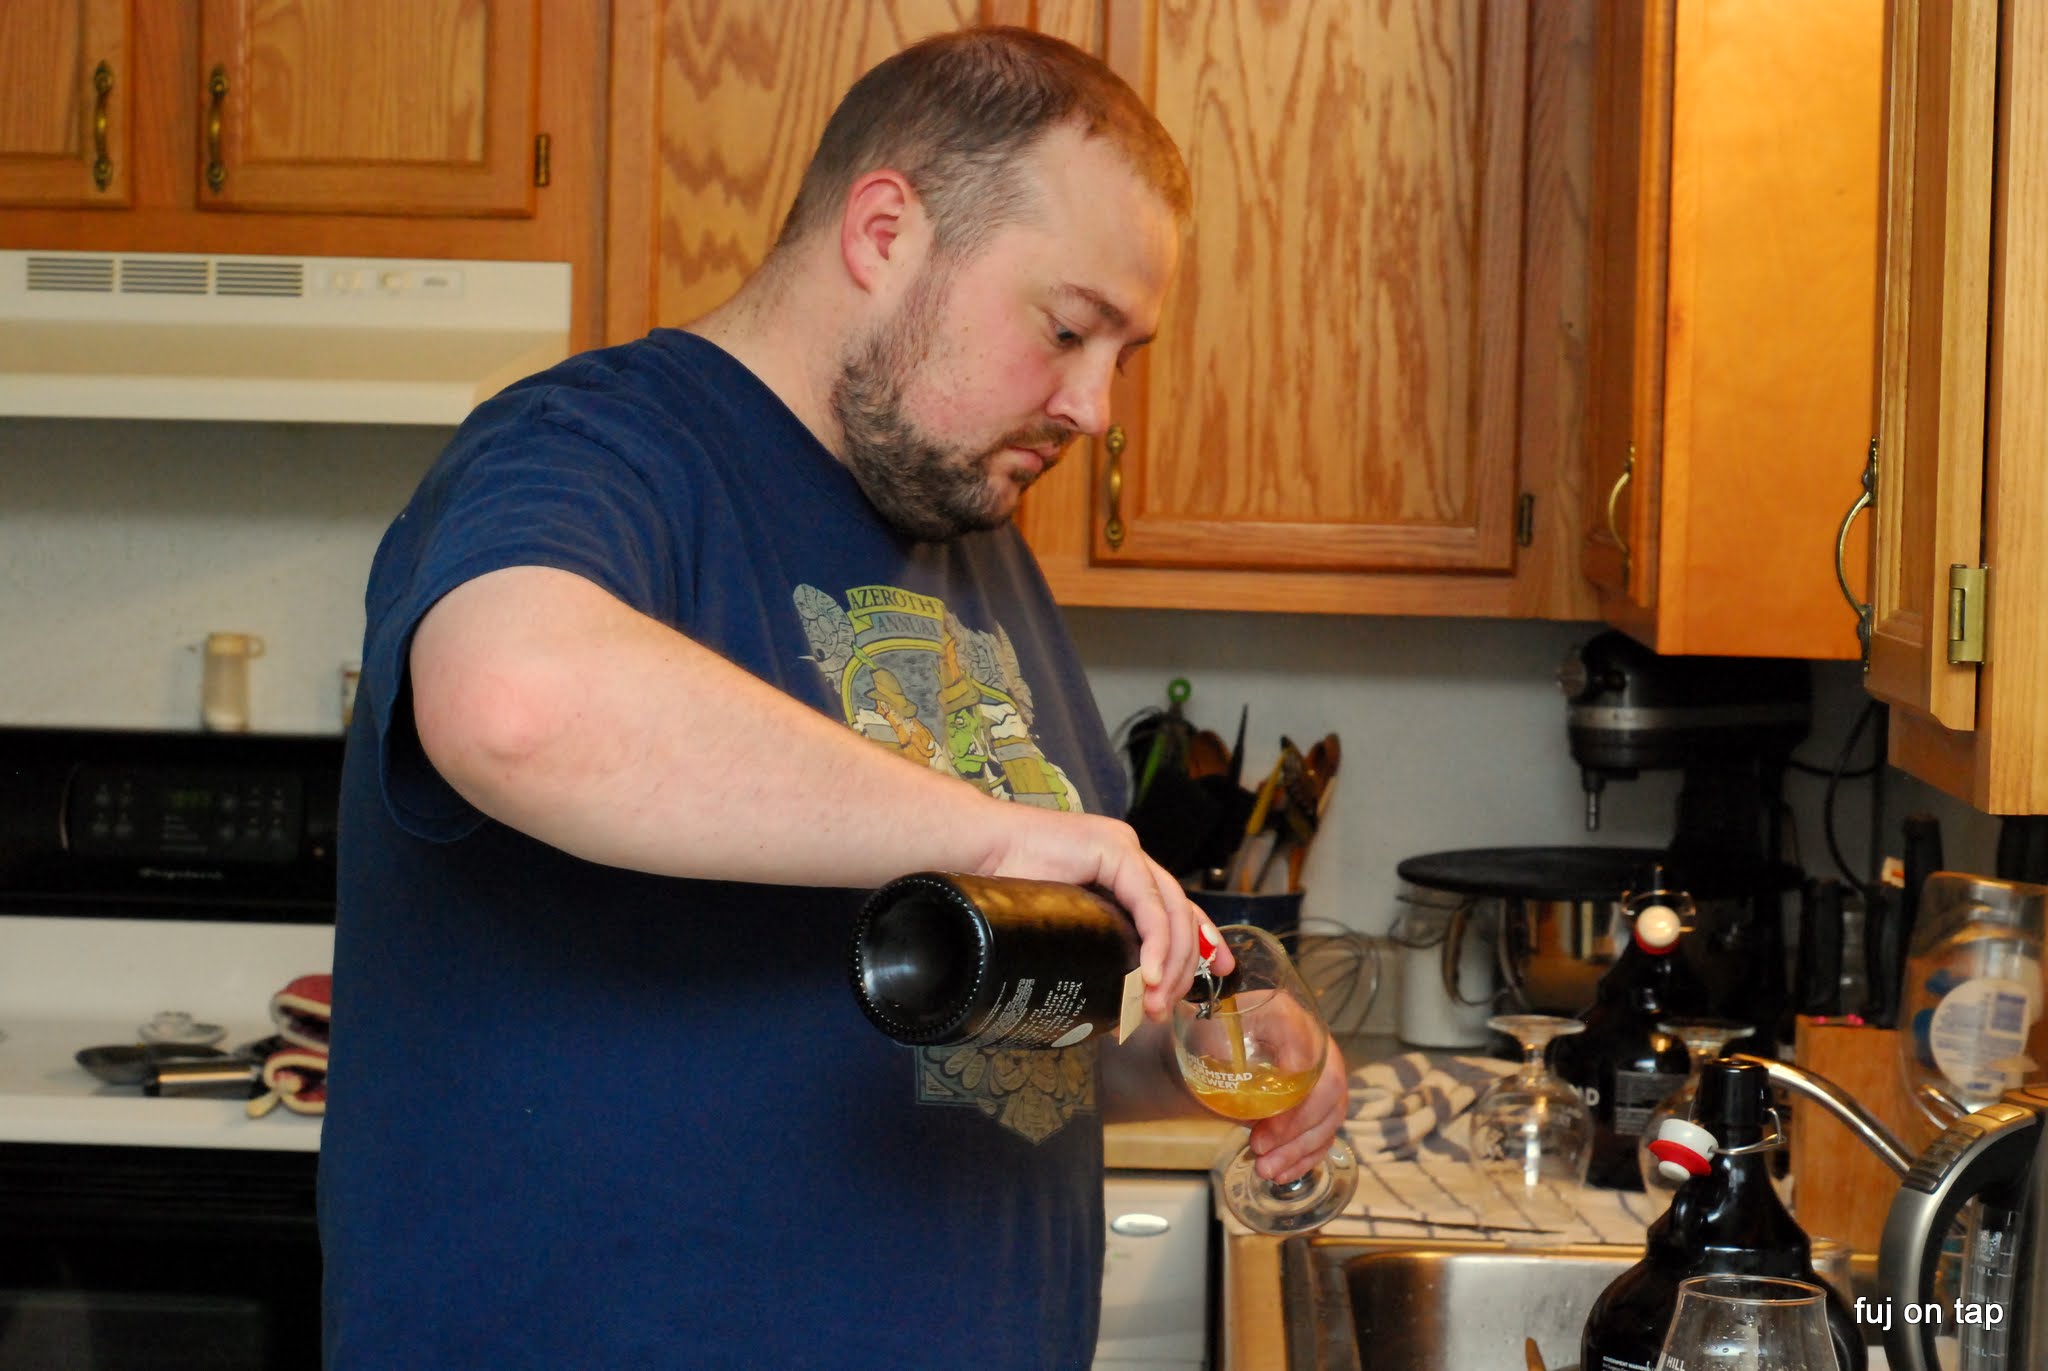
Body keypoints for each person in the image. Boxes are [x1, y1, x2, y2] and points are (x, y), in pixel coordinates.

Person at [321, 26, 1348, 1370]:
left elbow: (992, 1022)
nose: (1097, 408)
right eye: (1066, 328)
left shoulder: (971, 543)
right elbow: (514, 700)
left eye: (1124, 353)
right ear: (884, 233)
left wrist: (1200, 1057)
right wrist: (995, 833)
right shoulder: (600, 446)